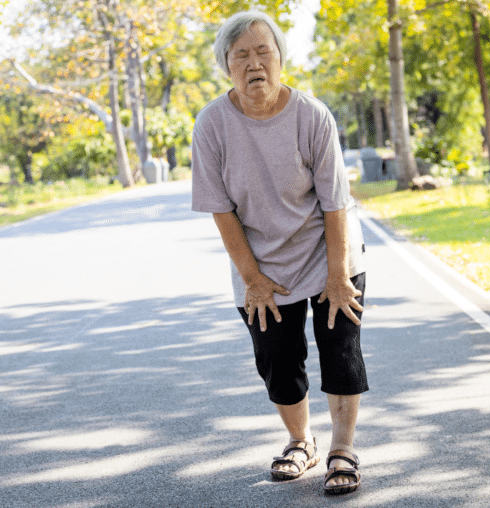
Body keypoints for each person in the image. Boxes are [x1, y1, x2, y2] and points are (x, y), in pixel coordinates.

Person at [190, 11, 367, 495]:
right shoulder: (212, 124)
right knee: (276, 357)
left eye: (263, 51)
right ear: (226, 66)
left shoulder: (312, 115)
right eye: (241, 55)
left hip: (329, 249)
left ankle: (342, 449)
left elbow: (335, 202)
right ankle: (301, 441)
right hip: (260, 261)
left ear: (280, 59)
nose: (254, 63)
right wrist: (252, 278)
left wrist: (337, 276)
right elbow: (221, 209)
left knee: (341, 350)